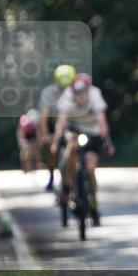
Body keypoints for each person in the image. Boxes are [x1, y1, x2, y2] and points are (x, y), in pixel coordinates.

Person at [51, 74, 115, 226]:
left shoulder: (95, 94)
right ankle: (67, 184)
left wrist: (107, 141)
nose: (80, 95)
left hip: (92, 132)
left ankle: (93, 204)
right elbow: (61, 121)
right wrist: (56, 140)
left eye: (83, 91)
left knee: (91, 168)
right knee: (71, 148)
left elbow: (101, 119)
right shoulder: (67, 96)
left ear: (88, 89)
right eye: (77, 92)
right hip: (73, 129)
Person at [38, 64, 76, 191]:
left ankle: (76, 175)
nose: (65, 88)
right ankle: (52, 175)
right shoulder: (48, 93)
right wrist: (45, 135)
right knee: (51, 148)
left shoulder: (79, 91)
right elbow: (44, 117)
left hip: (72, 124)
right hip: (53, 124)